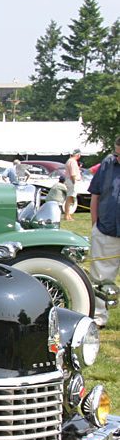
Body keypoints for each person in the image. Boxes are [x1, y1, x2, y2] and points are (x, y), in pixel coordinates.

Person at [88, 136, 120, 327]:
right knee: (100, 277)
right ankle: (99, 318)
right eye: (116, 153)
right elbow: (95, 195)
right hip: (106, 229)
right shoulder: (108, 163)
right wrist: (94, 225)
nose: (117, 157)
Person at [64, 149, 82, 221]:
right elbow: (73, 173)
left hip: (69, 180)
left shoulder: (69, 161)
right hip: (72, 181)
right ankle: (67, 215)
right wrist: (74, 181)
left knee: (70, 198)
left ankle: (68, 215)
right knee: (70, 198)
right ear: (78, 155)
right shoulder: (73, 162)